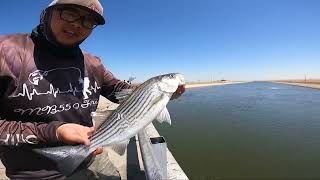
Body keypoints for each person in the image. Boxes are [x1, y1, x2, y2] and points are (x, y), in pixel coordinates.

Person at [0, 0, 185, 179]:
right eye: (70, 13)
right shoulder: (6, 52)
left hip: (93, 154)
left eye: (88, 20)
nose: (78, 25)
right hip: (36, 172)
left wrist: (155, 93)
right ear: (45, 14)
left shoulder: (93, 63)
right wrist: (54, 132)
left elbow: (119, 90)